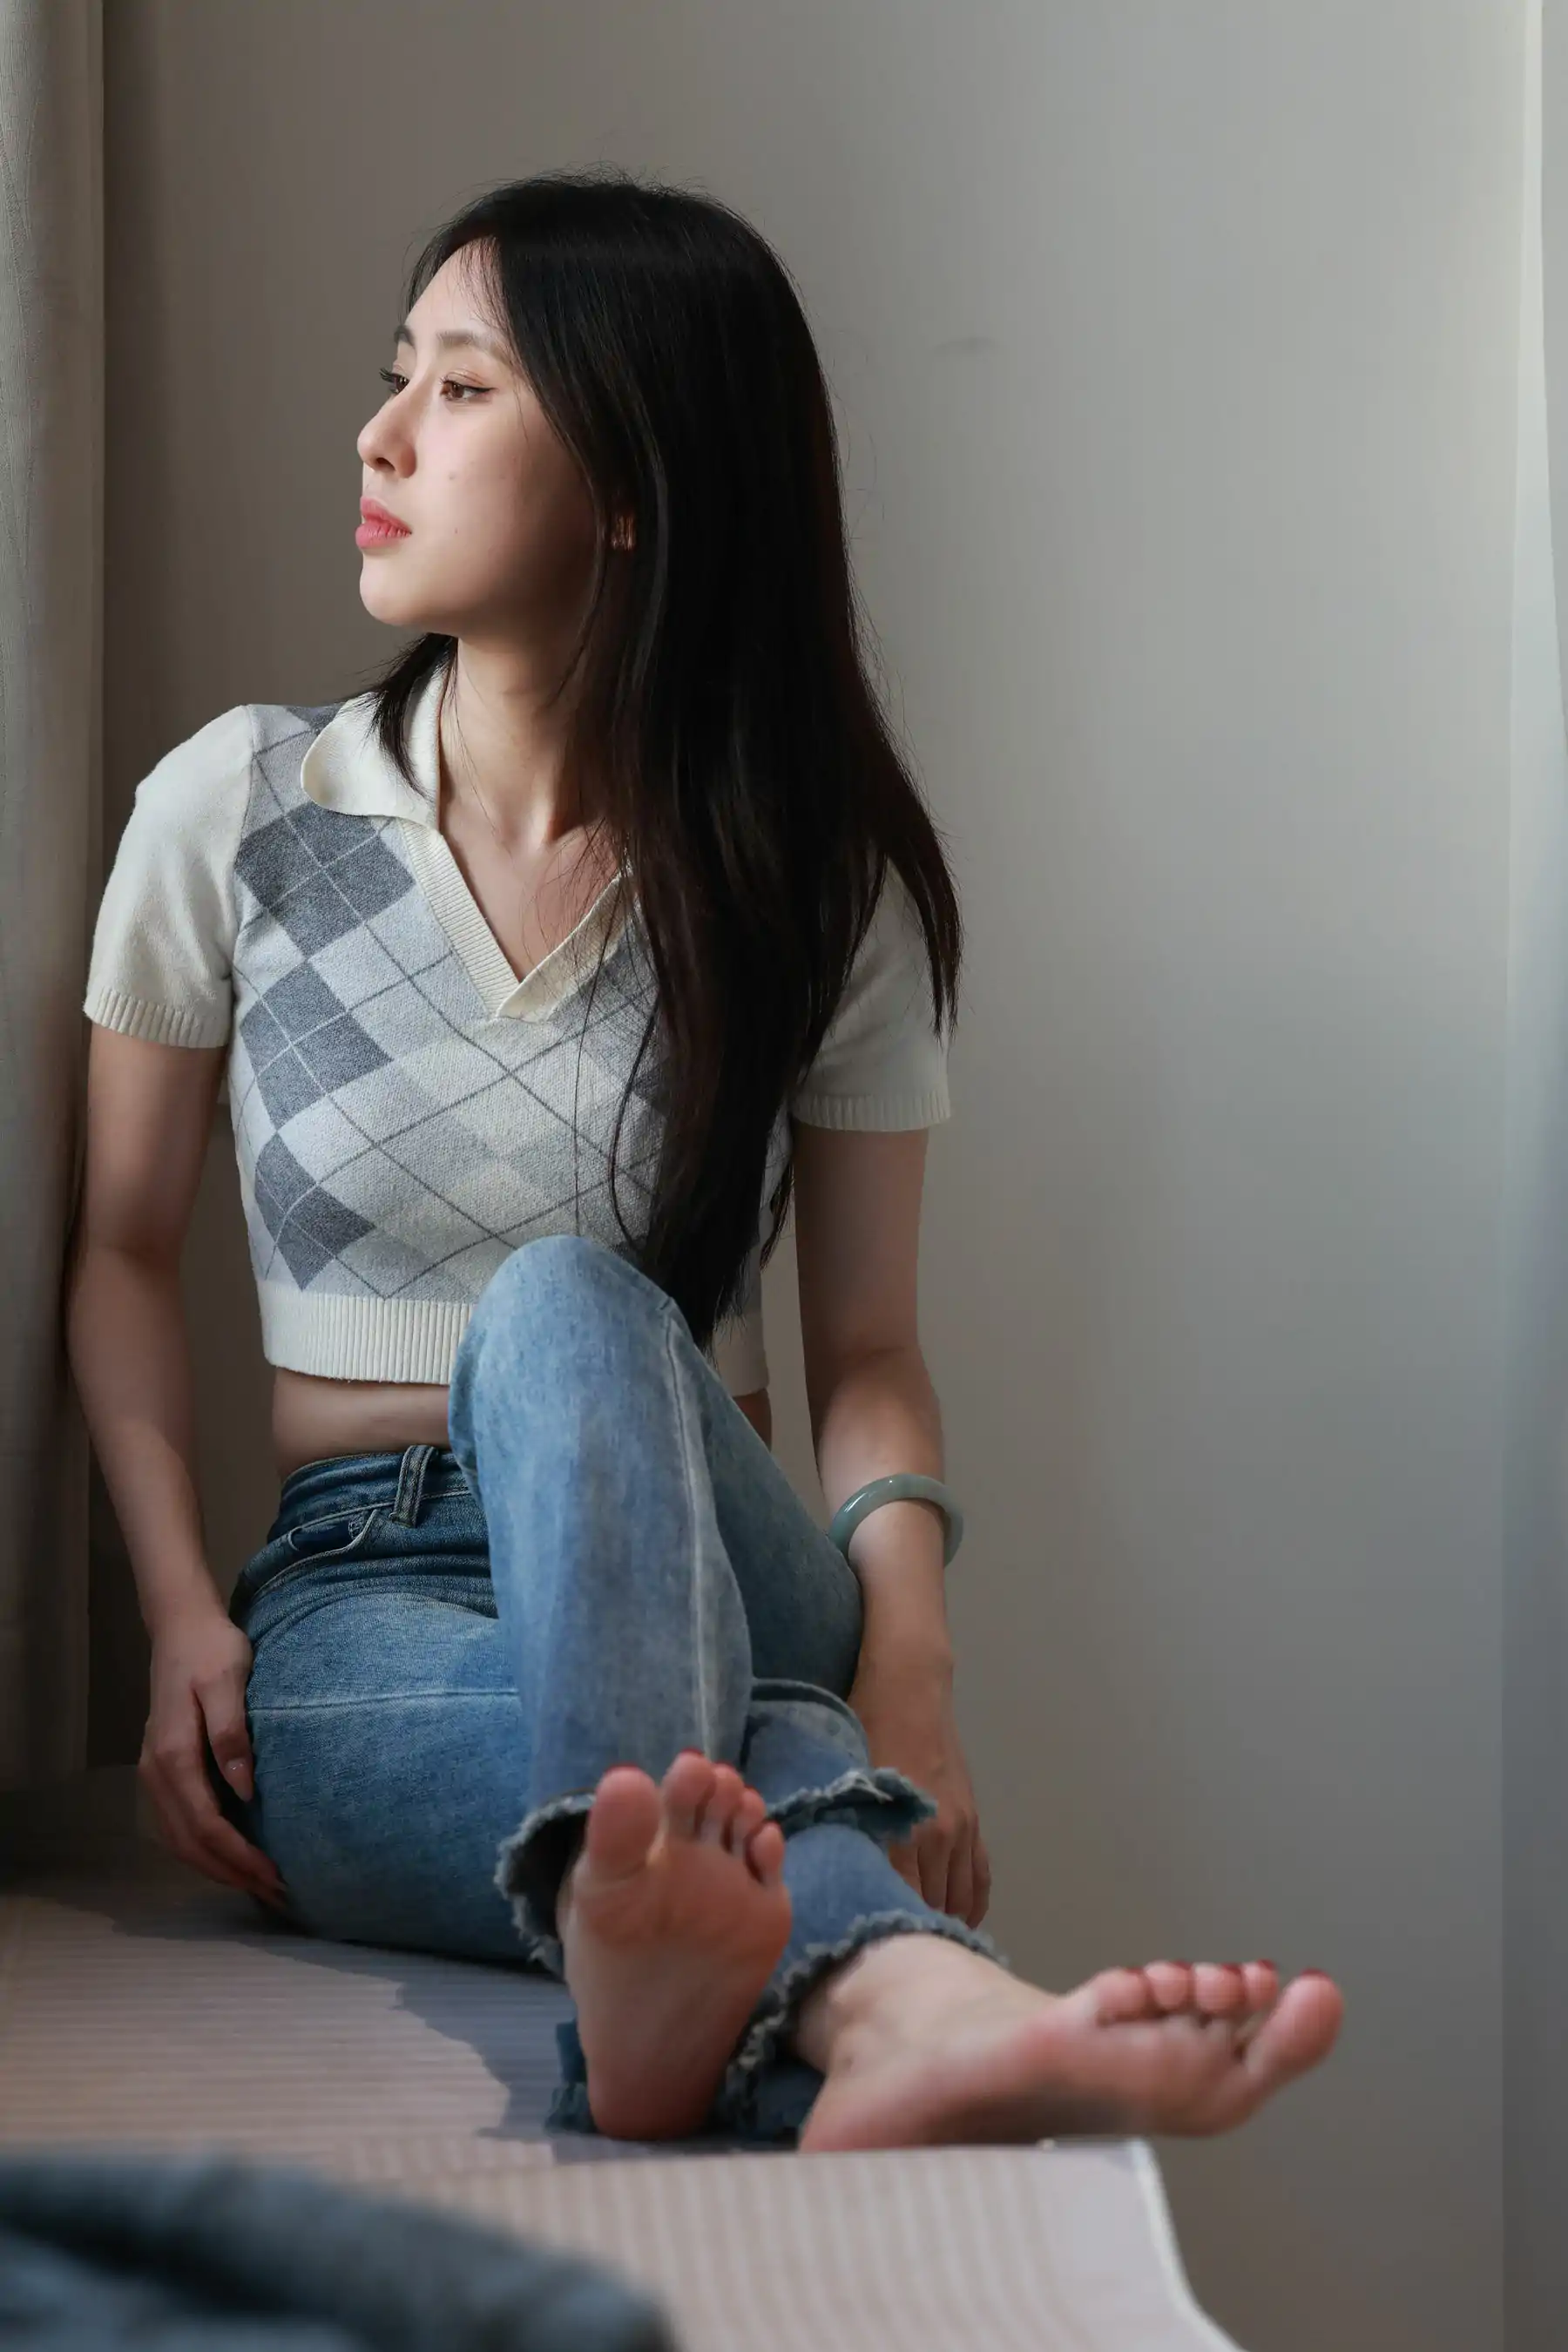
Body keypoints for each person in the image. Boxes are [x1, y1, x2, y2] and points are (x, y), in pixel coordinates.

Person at [65, 168, 1343, 2151]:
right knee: (734, 1778)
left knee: (566, 1307)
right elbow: (121, 1254)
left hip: (719, 1562)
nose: (380, 436)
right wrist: (177, 1617)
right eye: (398, 376)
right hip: (362, 1594)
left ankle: (673, 1987)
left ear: (633, 488)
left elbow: (869, 1351)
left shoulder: (814, 885)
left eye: (461, 390)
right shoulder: (236, 811)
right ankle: (912, 2008)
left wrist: (913, 1666)